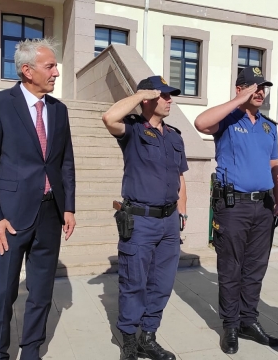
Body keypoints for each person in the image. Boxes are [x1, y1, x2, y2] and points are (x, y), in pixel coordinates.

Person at [0, 38, 76, 360]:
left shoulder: (59, 111)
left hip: (50, 213)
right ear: (27, 70)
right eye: (50, 66)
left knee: (42, 291)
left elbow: (66, 162)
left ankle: (31, 349)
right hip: (8, 216)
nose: (57, 73)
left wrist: (69, 206)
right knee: (3, 292)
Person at [194, 66, 278, 354]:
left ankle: (248, 320)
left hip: (264, 206)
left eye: (262, 88)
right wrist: (238, 101)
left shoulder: (270, 126)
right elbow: (200, 122)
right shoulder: (228, 119)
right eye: (253, 87)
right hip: (233, 206)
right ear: (240, 89)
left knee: (255, 268)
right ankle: (230, 325)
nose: (260, 92)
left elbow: (273, 164)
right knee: (231, 267)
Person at [101, 75, 188, 360]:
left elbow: (180, 176)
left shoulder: (174, 136)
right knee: (133, 282)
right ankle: (128, 339)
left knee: (162, 283)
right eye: (163, 95)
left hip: (168, 222)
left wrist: (182, 209)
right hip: (140, 220)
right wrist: (140, 95)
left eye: (170, 95)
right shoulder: (133, 130)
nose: (169, 100)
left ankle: (148, 337)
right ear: (148, 98)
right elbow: (108, 116)